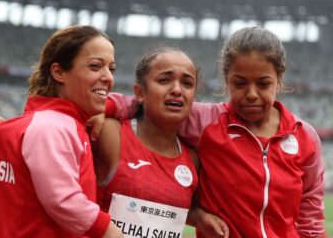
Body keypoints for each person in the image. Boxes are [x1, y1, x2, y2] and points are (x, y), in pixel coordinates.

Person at [102, 27, 326, 237]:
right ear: (227, 81)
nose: (252, 94)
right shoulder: (205, 121)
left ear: (278, 81)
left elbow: (311, 217)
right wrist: (102, 108)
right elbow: (148, 104)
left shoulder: (304, 135)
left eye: (263, 84)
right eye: (239, 83)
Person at [0, 47, 230, 237]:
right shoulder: (110, 133)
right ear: (140, 92)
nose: (177, 89)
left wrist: (199, 218)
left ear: (194, 96)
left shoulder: (192, 158)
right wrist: (15, 129)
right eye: (164, 80)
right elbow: (55, 141)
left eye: (187, 83)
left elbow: (178, 209)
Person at [0, 25, 123, 238]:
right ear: (58, 72)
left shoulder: (47, 124)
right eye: (95, 66)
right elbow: (63, 200)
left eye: (111, 69)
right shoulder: (52, 128)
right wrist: (110, 231)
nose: (108, 78)